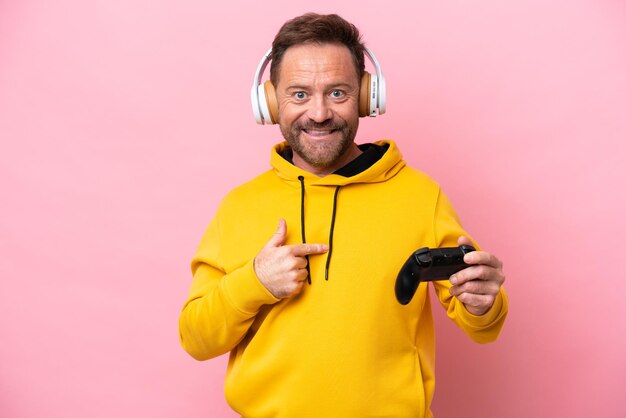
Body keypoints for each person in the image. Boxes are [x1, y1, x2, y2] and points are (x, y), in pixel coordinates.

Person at [179, 13, 507, 418]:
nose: (318, 113)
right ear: (270, 101)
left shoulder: (421, 196)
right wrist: (255, 282)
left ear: (368, 96)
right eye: (299, 94)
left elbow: (482, 326)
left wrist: (482, 304)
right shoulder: (239, 206)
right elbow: (196, 339)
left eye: (337, 93)